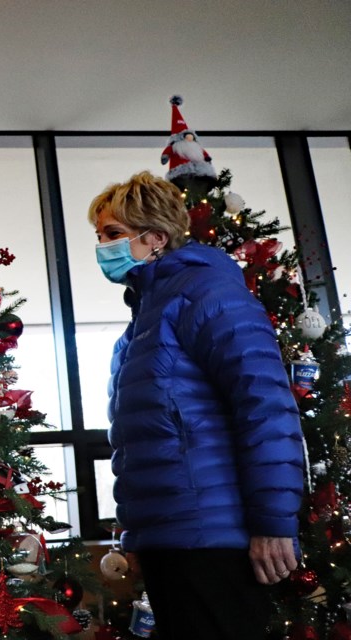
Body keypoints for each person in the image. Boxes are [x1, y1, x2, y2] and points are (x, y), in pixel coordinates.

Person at [88, 171, 305, 640]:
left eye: (113, 234)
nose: (102, 247)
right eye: (99, 235)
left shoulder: (205, 294)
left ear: (156, 238)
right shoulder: (144, 319)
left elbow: (266, 407)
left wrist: (273, 523)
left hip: (211, 537)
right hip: (169, 537)